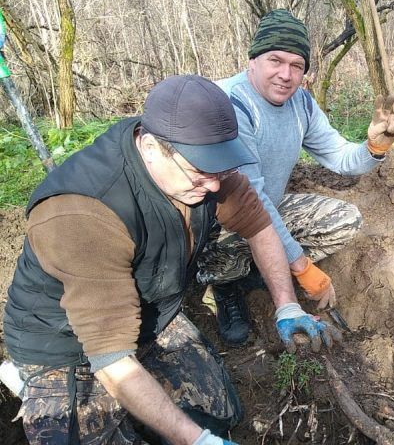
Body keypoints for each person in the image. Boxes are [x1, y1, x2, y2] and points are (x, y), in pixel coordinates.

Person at [2, 75, 340, 445]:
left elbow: (259, 227)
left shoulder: (202, 162)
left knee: (217, 413)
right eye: (201, 172)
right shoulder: (83, 213)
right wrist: (196, 442)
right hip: (68, 343)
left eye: (219, 171)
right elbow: (111, 358)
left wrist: (287, 306)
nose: (213, 185)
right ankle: (32, 386)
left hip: (152, 312)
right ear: (150, 147)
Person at [199, 9, 394, 344]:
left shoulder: (302, 104)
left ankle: (256, 273)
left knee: (343, 218)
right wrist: (300, 265)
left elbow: (340, 157)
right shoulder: (231, 104)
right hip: (217, 220)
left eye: (297, 65)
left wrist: (374, 147)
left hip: (266, 210)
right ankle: (226, 286)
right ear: (253, 60)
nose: (286, 74)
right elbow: (253, 200)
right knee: (224, 251)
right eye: (275, 60)